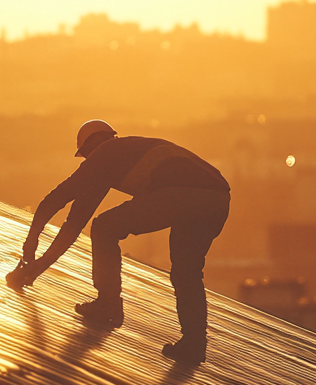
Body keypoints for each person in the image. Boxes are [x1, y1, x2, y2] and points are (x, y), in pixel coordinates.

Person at [12, 120, 231, 364]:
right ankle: (194, 344)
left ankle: (108, 304)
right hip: (217, 199)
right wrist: (35, 268)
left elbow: (55, 200)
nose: (86, 162)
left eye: (85, 155)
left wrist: (30, 243)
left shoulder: (104, 155)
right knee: (186, 273)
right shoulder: (122, 155)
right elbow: (73, 225)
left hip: (182, 195)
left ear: (91, 147)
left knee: (105, 227)